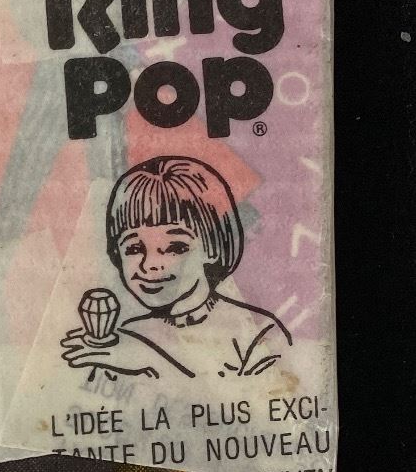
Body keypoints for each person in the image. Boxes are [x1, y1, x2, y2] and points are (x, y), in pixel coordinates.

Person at [61, 155, 292, 381]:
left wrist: (149, 361)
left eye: (175, 247)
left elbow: (262, 398)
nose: (150, 265)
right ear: (116, 253)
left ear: (213, 247)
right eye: (134, 248)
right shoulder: (130, 333)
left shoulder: (257, 330)